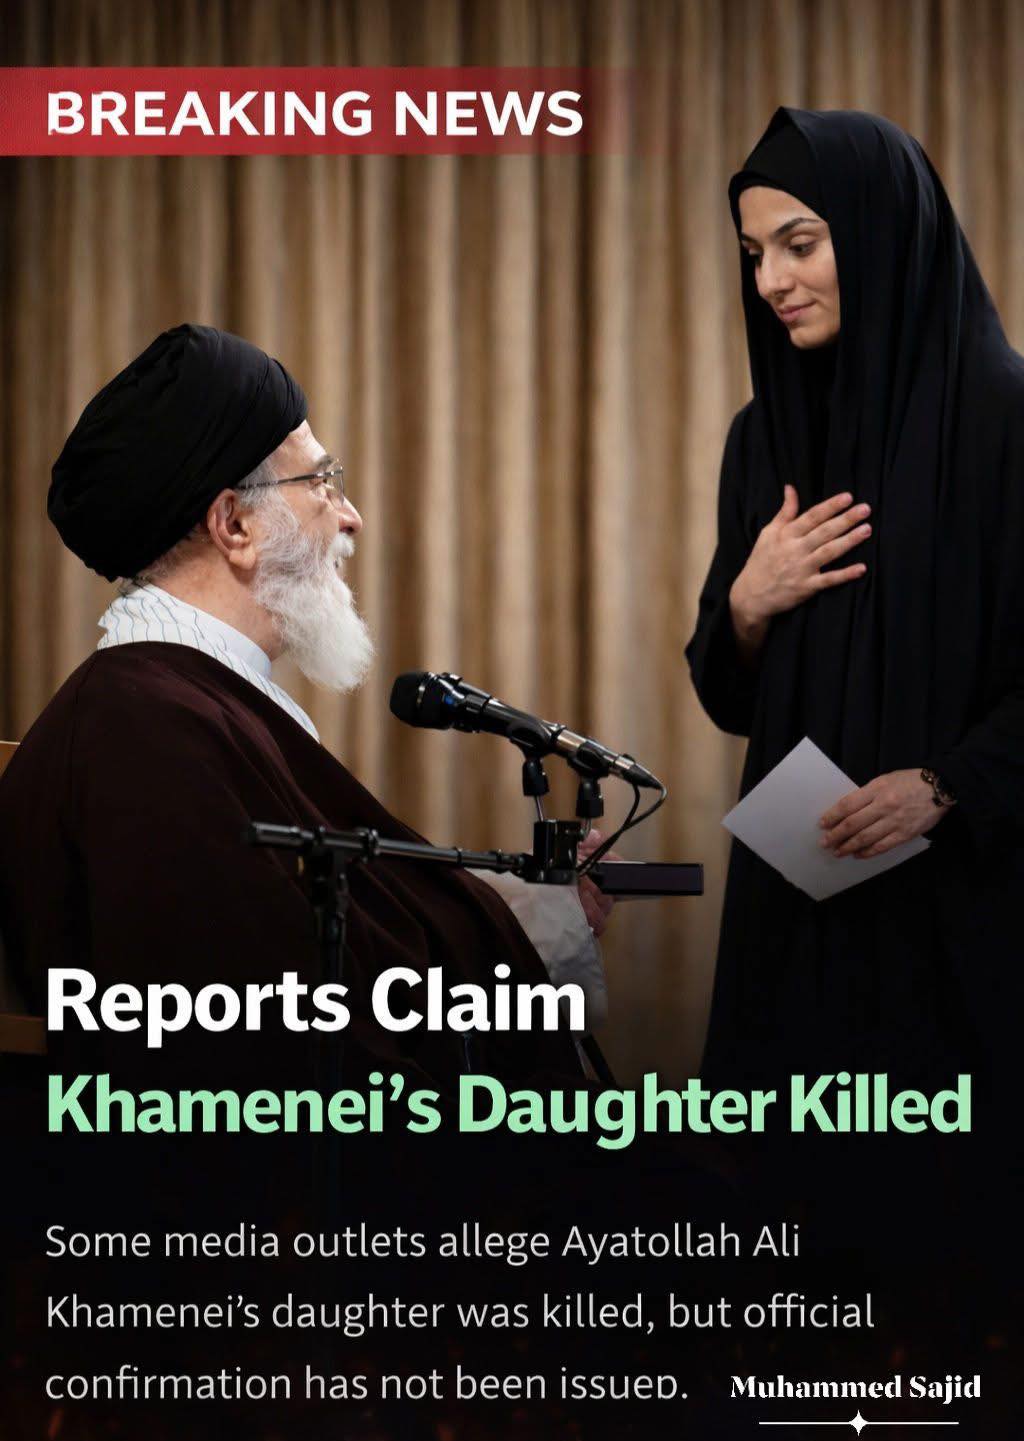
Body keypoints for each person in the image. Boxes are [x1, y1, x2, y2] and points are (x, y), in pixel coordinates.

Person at [0, 323, 613, 1117]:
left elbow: (329, 938)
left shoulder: (187, 703)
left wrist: (494, 904)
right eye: (323, 481)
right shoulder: (145, 734)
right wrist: (512, 939)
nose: (351, 516)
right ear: (235, 526)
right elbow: (270, 1041)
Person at [686, 108, 1024, 1129]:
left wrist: (944, 785)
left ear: (882, 234)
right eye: (755, 254)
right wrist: (749, 603)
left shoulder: (1009, 424)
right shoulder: (764, 437)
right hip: (798, 908)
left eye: (800, 244)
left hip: (970, 901)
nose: (771, 282)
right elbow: (725, 695)